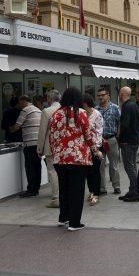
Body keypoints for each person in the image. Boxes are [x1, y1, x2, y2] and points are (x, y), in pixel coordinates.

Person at [49, 87, 97, 231]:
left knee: (64, 189)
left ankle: (63, 217)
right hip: (77, 158)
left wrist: (56, 152)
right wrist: (95, 149)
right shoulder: (80, 113)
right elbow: (88, 135)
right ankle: (75, 222)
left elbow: (51, 137)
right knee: (77, 190)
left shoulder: (56, 114)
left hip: (59, 159)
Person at [11, 95, 43, 198]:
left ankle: (31, 190)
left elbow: (17, 126)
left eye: (20, 102)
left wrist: (9, 129)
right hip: (38, 143)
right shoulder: (38, 110)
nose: (19, 105)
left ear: (23, 101)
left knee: (30, 168)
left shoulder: (25, 110)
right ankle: (36, 188)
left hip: (29, 144)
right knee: (37, 167)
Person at [37, 89, 62, 208]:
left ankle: (56, 197)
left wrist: (39, 149)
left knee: (52, 171)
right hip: (65, 146)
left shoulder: (46, 111)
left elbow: (42, 132)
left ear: (49, 99)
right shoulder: (66, 110)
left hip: (50, 145)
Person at [118, 86, 139, 202]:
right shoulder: (134, 105)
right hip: (134, 140)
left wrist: (120, 138)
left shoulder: (126, 107)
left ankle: (135, 192)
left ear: (122, 94)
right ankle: (133, 190)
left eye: (119, 93)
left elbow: (125, 125)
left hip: (127, 141)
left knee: (129, 167)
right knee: (132, 166)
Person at [96, 87, 122, 195]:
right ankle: (102, 188)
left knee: (114, 164)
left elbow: (120, 123)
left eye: (103, 95)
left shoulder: (115, 108)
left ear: (108, 96)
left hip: (112, 139)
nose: (101, 97)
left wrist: (117, 136)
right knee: (100, 165)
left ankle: (116, 186)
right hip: (99, 140)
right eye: (99, 95)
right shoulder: (95, 109)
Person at [82, 93, 104, 206]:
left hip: (95, 146)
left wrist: (97, 147)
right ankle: (91, 191)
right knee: (88, 171)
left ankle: (96, 193)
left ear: (86, 103)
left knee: (95, 171)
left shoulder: (97, 114)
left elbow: (100, 131)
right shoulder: (82, 114)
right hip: (84, 147)